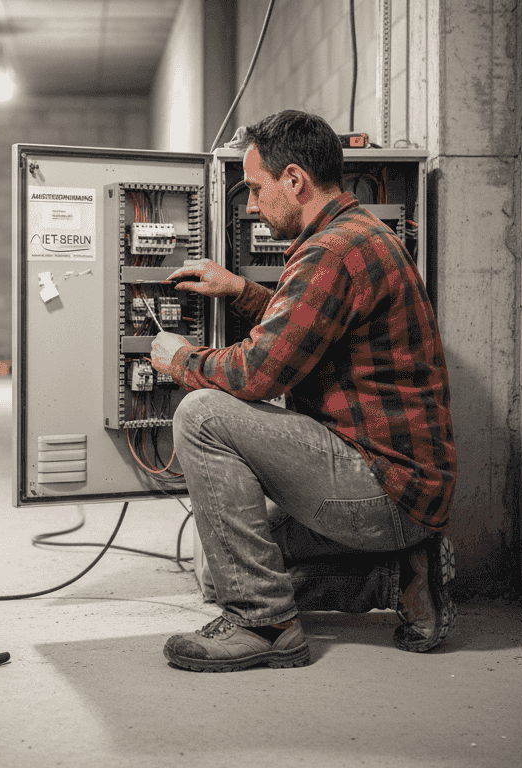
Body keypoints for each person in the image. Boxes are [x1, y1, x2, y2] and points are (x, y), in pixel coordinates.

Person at [149, 110, 457, 672]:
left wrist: (179, 359)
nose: (250, 205)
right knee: (218, 567)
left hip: (383, 487)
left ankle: (266, 626)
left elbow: (256, 374)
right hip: (398, 488)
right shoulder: (356, 234)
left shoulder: (331, 251)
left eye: (258, 189)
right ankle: (399, 574)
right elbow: (312, 329)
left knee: (200, 413)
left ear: (294, 180)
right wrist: (242, 290)